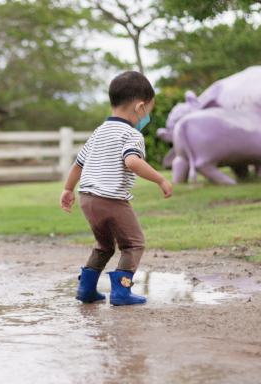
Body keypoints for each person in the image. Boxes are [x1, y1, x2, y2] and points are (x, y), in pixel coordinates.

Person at [60, 71, 173, 306]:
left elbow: (78, 164)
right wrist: (160, 179)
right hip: (111, 199)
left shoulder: (98, 132)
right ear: (140, 107)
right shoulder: (131, 134)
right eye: (148, 112)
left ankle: (86, 289)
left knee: (104, 245)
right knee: (133, 243)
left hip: (87, 198)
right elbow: (131, 161)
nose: (147, 117)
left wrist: (68, 190)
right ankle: (122, 292)